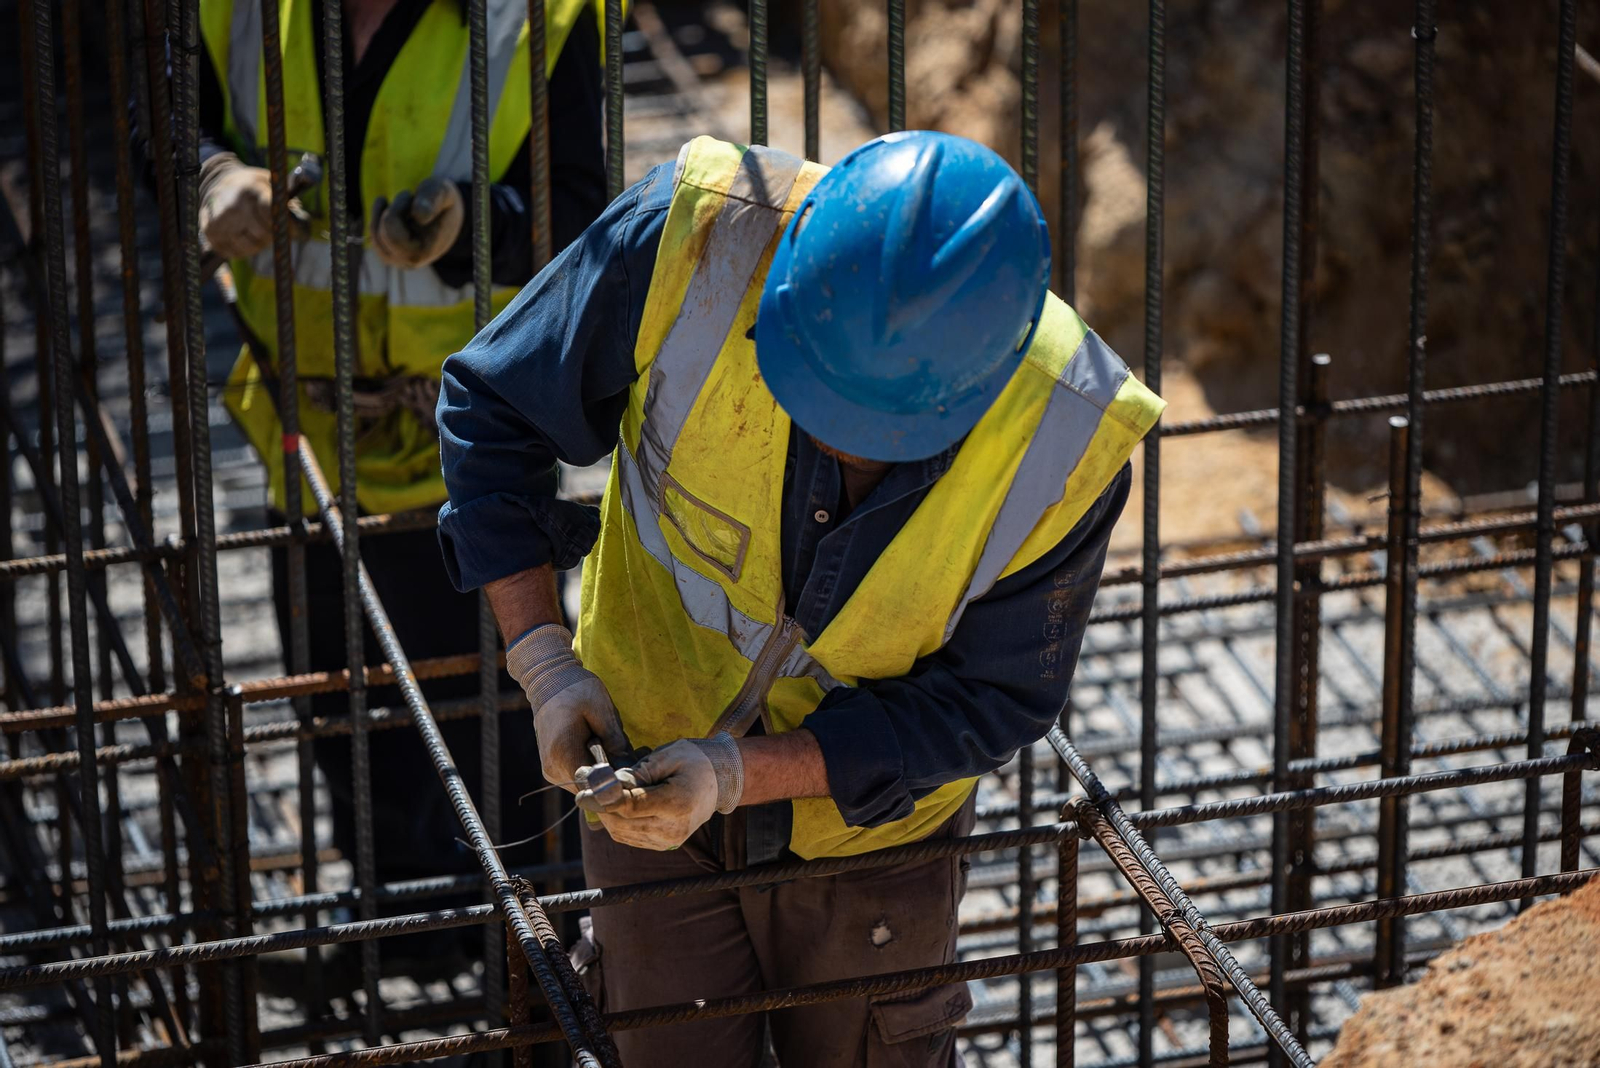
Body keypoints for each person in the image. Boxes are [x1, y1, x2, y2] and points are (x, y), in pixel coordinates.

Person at [436, 131, 1164, 1065]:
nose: (840, 443)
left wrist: (741, 773)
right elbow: (491, 408)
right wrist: (544, 663)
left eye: (881, 432)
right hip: (640, 758)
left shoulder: (1067, 432)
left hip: (872, 843)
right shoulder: (699, 235)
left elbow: (993, 700)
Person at [192, 0, 608, 973]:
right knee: (344, 711)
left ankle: (536, 963)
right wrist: (206, 174)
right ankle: (405, 939)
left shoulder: (539, 18)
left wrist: (477, 226)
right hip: (309, 438)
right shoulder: (234, 12)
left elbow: (584, 219)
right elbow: (156, 119)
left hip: (473, 443)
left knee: (504, 727)